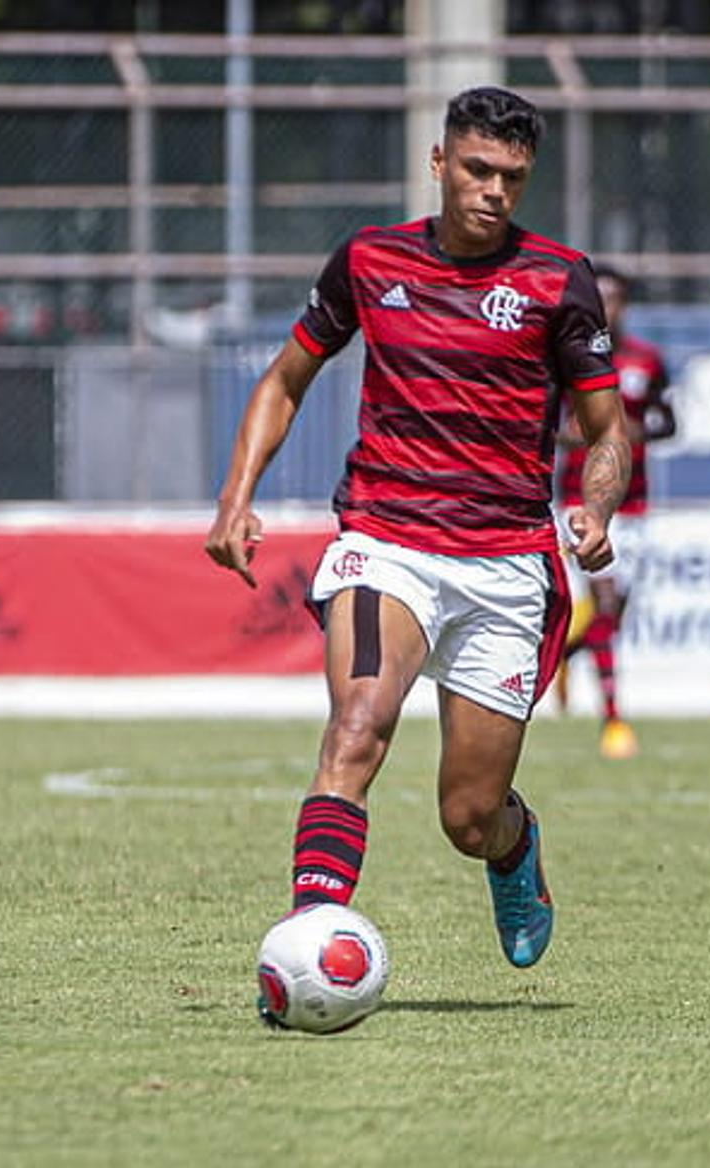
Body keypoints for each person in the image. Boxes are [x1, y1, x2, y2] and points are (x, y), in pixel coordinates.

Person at [205, 87, 629, 996]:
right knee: (357, 727)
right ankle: (311, 939)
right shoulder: (368, 260)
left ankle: (515, 848)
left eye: (512, 177)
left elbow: (606, 431)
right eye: (477, 169)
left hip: (508, 563)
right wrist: (235, 498)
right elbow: (284, 382)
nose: (493, 190)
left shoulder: (558, 280)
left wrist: (596, 507)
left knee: (468, 816)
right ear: (439, 164)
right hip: (384, 540)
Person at [555, 265, 677, 760]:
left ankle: (563, 655)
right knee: (605, 605)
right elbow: (548, 427)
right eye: (599, 299)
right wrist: (580, 435)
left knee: (615, 615)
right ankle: (613, 719)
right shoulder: (566, 358)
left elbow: (668, 421)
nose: (608, 308)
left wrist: (629, 436)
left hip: (636, 499)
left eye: (616, 299)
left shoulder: (647, 360)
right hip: (582, 499)